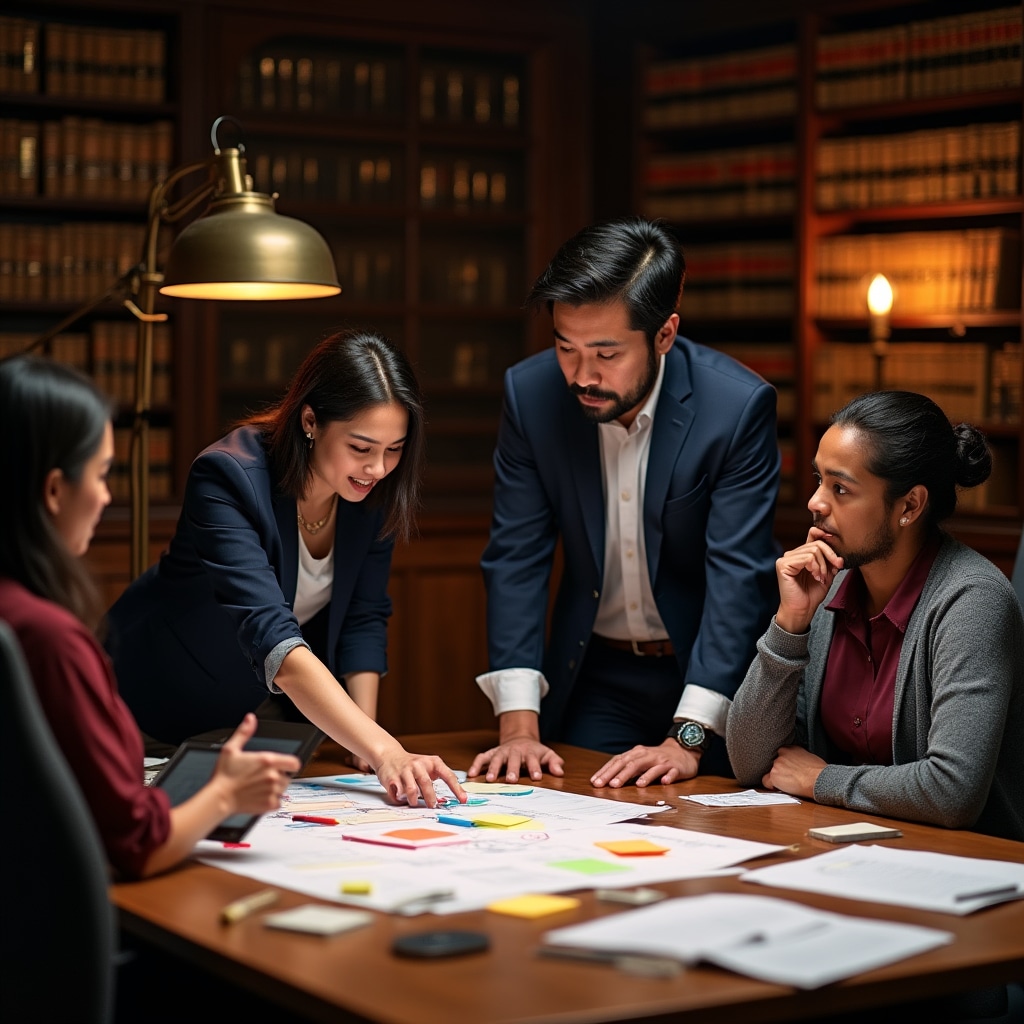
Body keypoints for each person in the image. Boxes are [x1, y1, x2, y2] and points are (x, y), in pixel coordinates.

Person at [468, 216, 780, 788]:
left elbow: (739, 579)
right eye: (566, 347)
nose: (582, 375)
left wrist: (688, 736)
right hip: (598, 672)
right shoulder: (532, 396)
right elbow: (516, 555)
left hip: (712, 679)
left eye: (606, 354)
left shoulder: (735, 409)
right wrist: (517, 725)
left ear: (664, 334)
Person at [106, 330, 465, 808]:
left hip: (246, 721)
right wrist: (385, 751)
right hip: (147, 706)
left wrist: (363, 741)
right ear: (311, 421)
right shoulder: (227, 475)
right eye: (361, 448)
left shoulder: (370, 493)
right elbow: (270, 634)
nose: (379, 468)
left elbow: (363, 615)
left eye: (395, 448)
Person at [0, 355, 300, 879]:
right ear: (53, 491)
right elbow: (135, 845)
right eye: (100, 474)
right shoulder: (50, 639)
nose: (106, 496)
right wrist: (226, 792)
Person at [727, 391, 1024, 841]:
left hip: (965, 863)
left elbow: (952, 791)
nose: (816, 502)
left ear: (909, 506)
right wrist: (790, 623)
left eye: (840, 488)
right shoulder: (832, 587)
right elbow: (750, 760)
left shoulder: (972, 601)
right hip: (844, 846)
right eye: (818, 480)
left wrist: (819, 779)